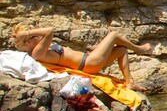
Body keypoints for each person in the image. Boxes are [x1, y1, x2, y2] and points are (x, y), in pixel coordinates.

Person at [12, 26, 151, 91]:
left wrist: (26, 33)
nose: (37, 36)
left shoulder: (40, 49)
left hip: (89, 61)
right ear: (27, 42)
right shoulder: (37, 53)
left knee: (121, 50)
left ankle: (130, 82)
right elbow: (49, 30)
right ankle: (138, 49)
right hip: (88, 64)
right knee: (114, 35)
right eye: (33, 37)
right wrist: (25, 33)